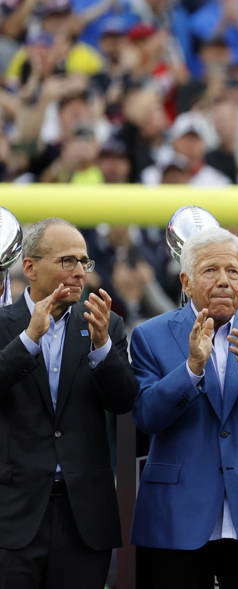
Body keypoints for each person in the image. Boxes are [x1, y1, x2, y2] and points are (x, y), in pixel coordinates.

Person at [129, 226, 238, 589]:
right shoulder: (151, 335)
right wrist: (191, 369)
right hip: (176, 515)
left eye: (233, 271)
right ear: (186, 281)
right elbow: (146, 416)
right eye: (211, 270)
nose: (224, 281)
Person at [0, 218, 137, 588]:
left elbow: (125, 401)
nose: (80, 272)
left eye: (84, 262)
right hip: (13, 516)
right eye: (67, 261)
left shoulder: (105, 325)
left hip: (84, 520)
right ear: (29, 267)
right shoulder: (3, 324)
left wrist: (103, 347)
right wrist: (29, 339)